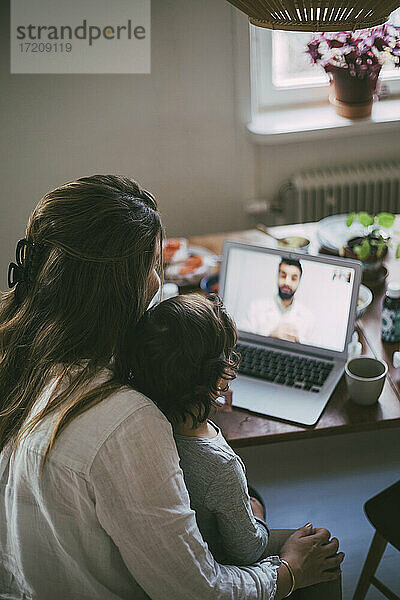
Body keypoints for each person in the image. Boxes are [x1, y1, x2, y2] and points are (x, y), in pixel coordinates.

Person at [0, 175, 343, 600]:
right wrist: (289, 572)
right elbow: (199, 591)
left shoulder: (20, 349)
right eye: (152, 264)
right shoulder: (124, 424)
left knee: (242, 498)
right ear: (120, 289)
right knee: (319, 555)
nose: (157, 281)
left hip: (33, 575)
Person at [244, 258, 314, 344]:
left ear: (299, 281)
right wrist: (270, 336)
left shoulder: (308, 317)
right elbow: (245, 343)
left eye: (293, 278)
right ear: (277, 276)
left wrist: (299, 341)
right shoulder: (255, 307)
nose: (287, 283)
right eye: (283, 276)